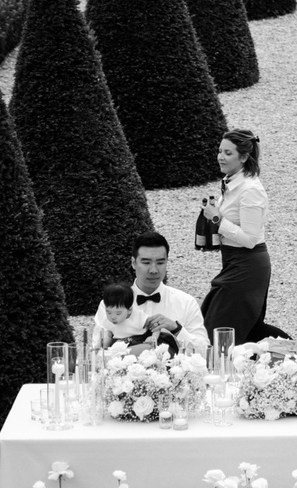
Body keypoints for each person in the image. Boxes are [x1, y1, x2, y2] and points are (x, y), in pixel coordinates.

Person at [197, 131, 273, 341]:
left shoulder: (251, 190)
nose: (220, 156)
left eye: (228, 153)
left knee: (217, 329)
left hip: (247, 266)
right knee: (247, 330)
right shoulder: (232, 182)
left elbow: (250, 239)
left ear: (243, 157)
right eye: (220, 151)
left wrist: (216, 220)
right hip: (233, 261)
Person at [93, 234, 207, 355]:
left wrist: (176, 329)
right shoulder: (110, 303)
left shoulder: (186, 303)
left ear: (167, 262)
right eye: (146, 262)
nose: (153, 270)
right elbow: (96, 354)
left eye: (160, 262)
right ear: (133, 263)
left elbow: (205, 354)